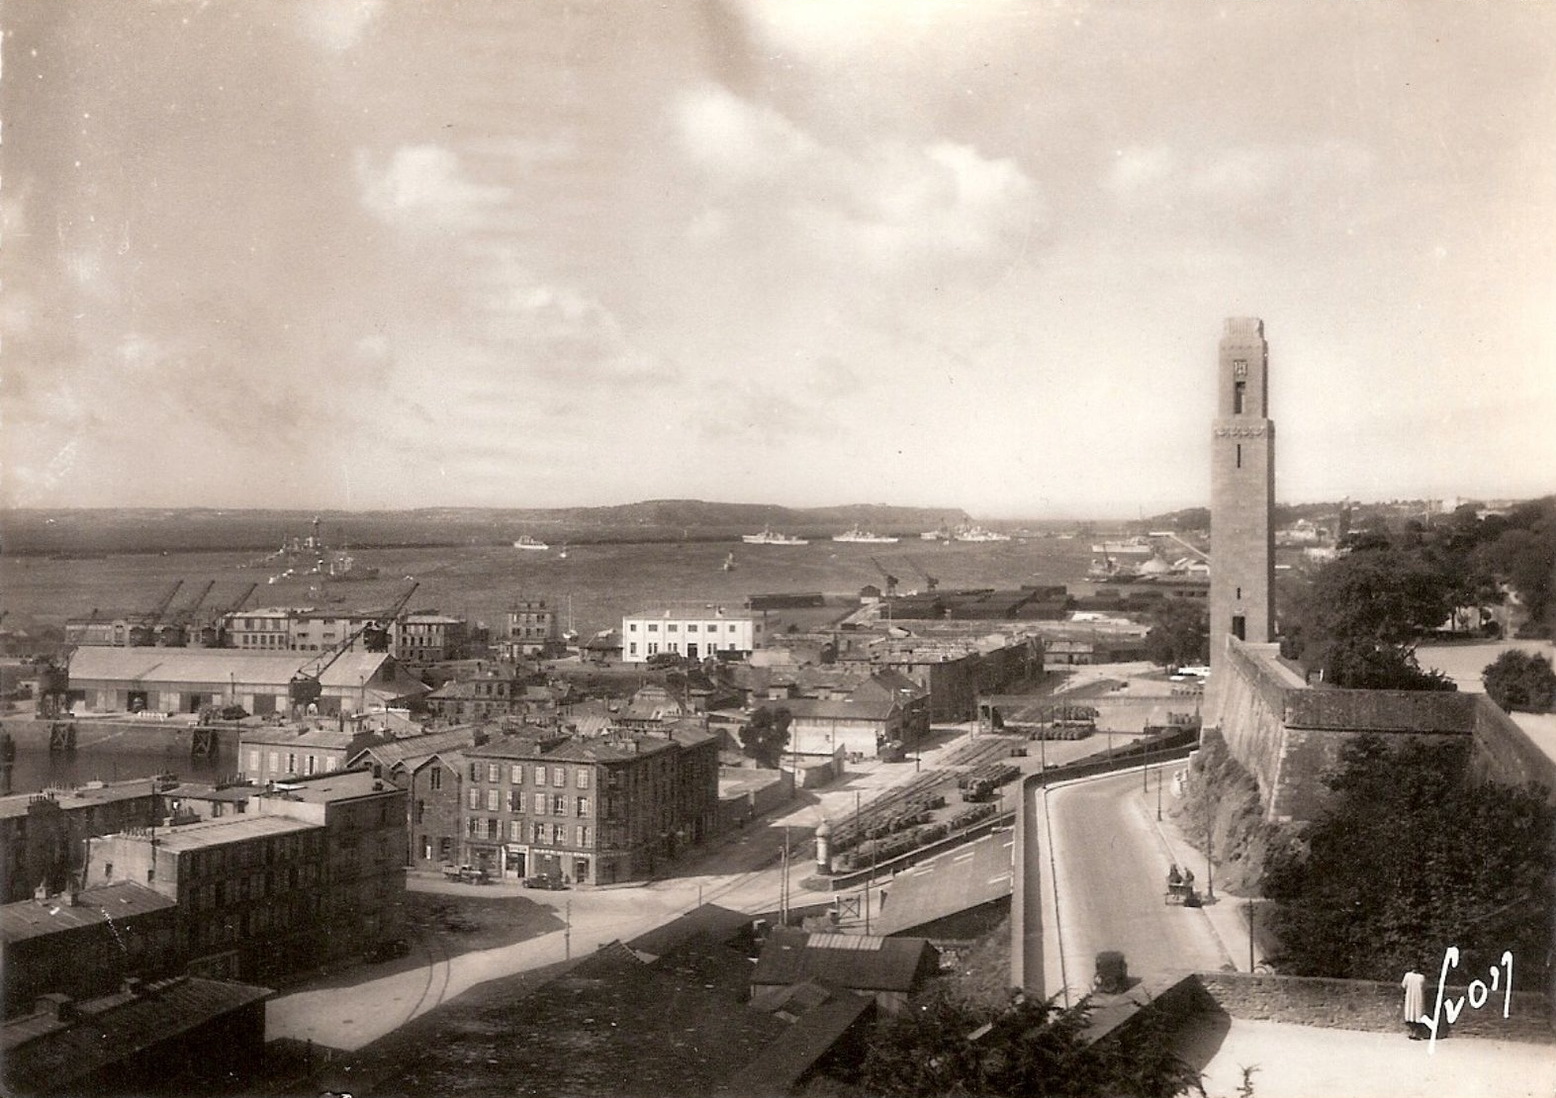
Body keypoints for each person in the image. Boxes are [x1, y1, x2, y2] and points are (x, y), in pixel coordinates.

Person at [1401, 970, 1427, 1038]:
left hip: (1411, 997)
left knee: (1412, 1014)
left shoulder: (1408, 976)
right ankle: (1414, 1032)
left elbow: (1403, 985)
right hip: (1418, 997)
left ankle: (1414, 1033)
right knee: (1417, 1014)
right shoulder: (1421, 977)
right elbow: (1424, 987)